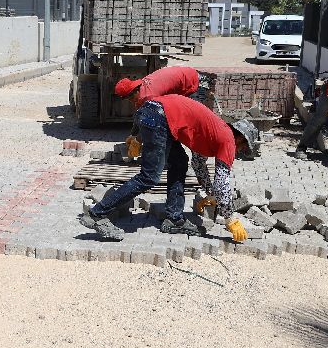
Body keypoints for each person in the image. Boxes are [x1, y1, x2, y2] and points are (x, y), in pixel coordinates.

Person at [80, 94, 258, 242]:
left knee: (180, 162)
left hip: (154, 112)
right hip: (160, 118)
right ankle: (97, 214)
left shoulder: (215, 133)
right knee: (149, 177)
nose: (241, 151)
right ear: (241, 138)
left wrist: (210, 193)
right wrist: (230, 218)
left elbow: (198, 164)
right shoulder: (227, 140)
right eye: (244, 147)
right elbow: (222, 181)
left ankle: (174, 219)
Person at [114, 66, 213, 158]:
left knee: (191, 125)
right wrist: (133, 134)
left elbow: (152, 123)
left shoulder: (149, 96)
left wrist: (138, 140)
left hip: (195, 83)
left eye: (131, 98)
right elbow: (139, 114)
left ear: (135, 90)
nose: (131, 101)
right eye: (128, 99)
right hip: (184, 80)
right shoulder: (141, 90)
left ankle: (197, 160)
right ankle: (176, 159)